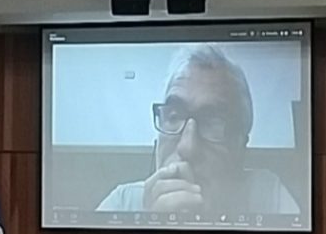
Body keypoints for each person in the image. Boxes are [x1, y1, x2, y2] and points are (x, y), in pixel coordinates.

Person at [96, 44, 299, 215]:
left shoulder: (269, 198)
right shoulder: (122, 203)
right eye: (173, 117)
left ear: (240, 147)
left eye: (213, 123)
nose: (187, 148)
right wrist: (152, 226)